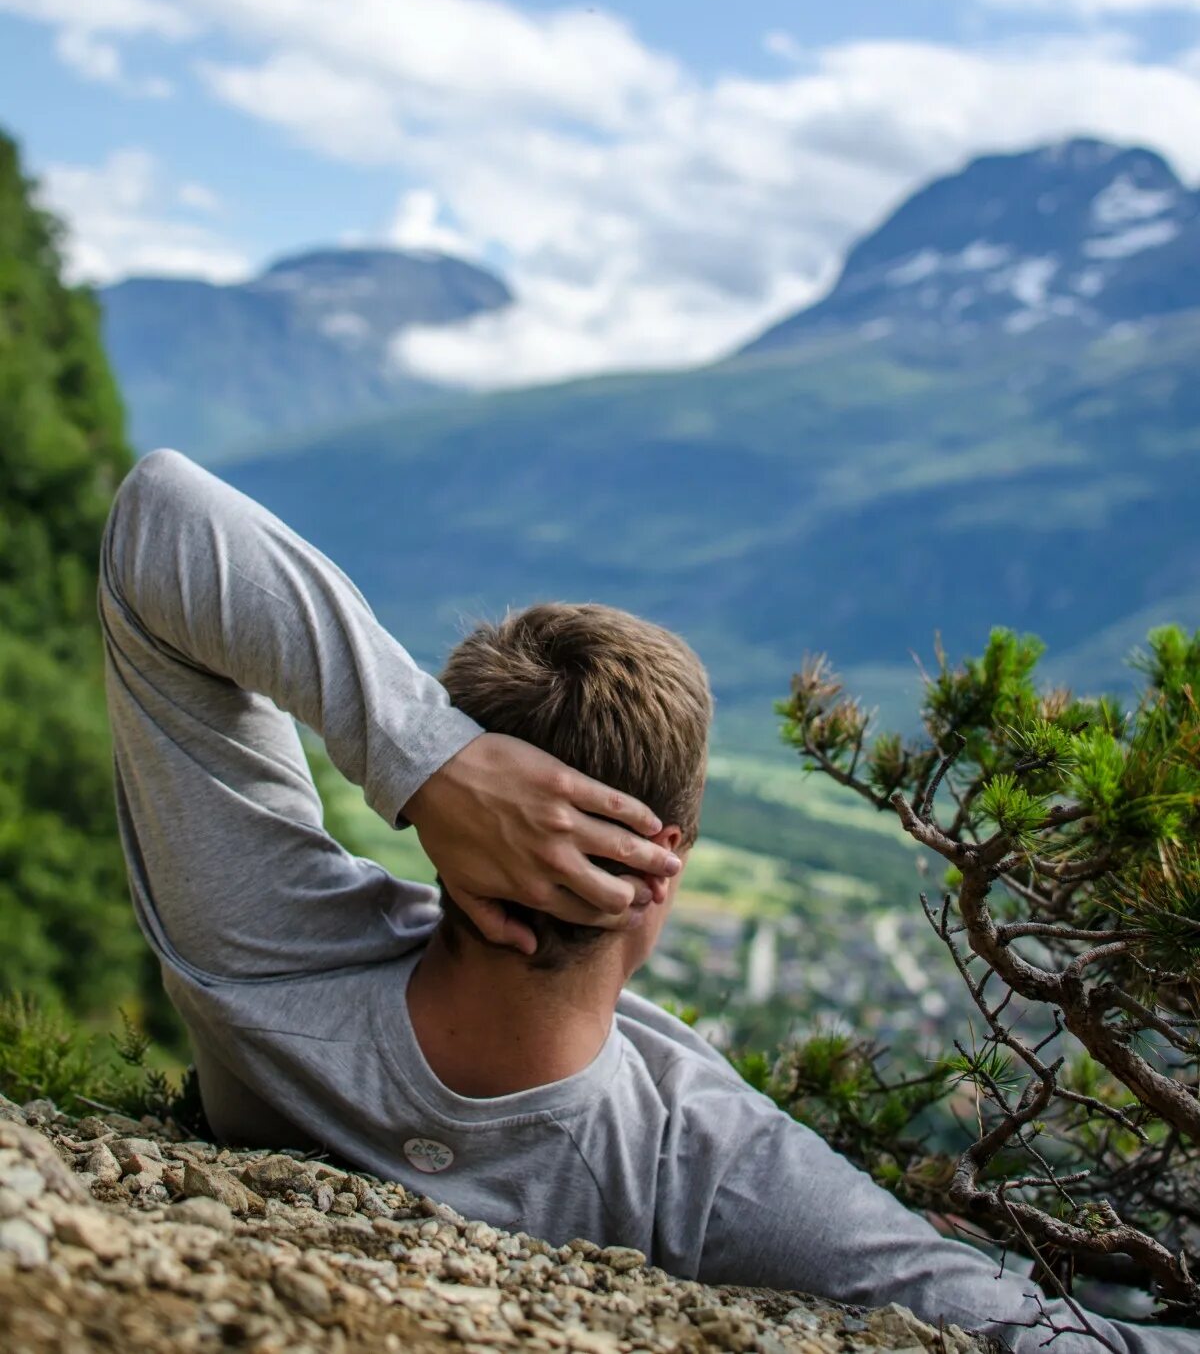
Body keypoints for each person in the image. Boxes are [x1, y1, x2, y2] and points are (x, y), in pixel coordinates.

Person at [100, 450, 1196, 1354]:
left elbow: (161, 514)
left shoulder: (262, 949)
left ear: (466, 828)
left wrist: (425, 760)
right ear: (664, 857)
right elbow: (1026, 1329)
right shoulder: (705, 1165)